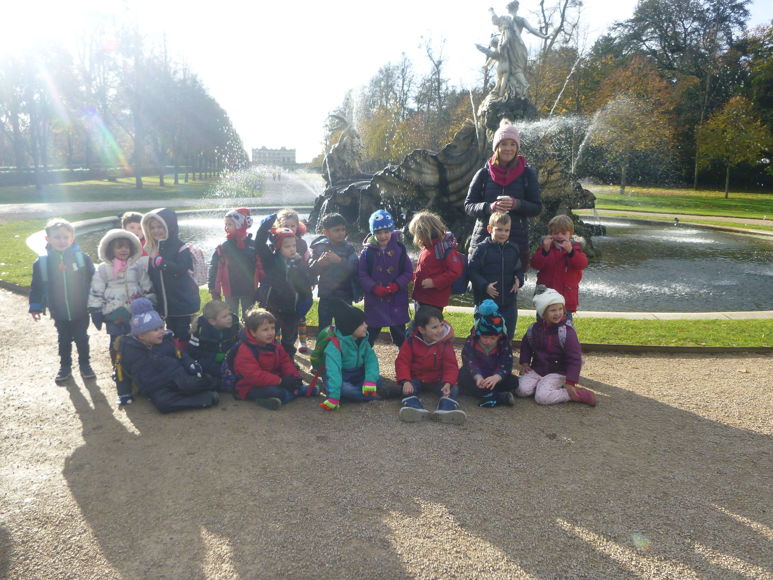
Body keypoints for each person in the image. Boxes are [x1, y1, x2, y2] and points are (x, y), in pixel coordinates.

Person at [464, 119, 542, 271]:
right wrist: (489, 207)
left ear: (517, 148)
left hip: (516, 242)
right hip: (484, 241)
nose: (508, 148)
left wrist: (517, 204)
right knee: (482, 283)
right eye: (504, 144)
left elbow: (537, 207)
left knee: (512, 283)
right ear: (497, 147)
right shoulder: (483, 174)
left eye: (513, 144)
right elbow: (468, 205)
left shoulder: (527, 174)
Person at [118, 298, 219, 413]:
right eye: (155, 330)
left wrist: (190, 364)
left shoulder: (166, 341)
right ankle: (205, 398)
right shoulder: (129, 349)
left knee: (191, 384)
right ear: (141, 335)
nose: (161, 332)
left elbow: (180, 355)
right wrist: (124, 393)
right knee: (163, 404)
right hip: (156, 387)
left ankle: (217, 383)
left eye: (161, 327)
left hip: (177, 376)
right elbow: (122, 371)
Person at [29, 218, 96, 384]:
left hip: (81, 308)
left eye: (66, 237)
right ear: (48, 239)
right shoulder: (42, 263)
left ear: (72, 239)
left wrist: (96, 303)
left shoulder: (82, 258)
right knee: (64, 339)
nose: (62, 241)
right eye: (57, 237)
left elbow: (94, 282)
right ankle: (65, 366)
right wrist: (35, 306)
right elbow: (36, 286)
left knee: (82, 338)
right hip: (58, 309)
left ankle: (85, 364)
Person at [516, 288, 596, 406]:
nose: (558, 313)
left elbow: (575, 358)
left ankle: (574, 394)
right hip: (538, 368)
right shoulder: (534, 329)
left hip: (558, 372)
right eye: (553, 310)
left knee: (542, 398)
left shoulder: (567, 332)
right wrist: (525, 363)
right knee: (520, 390)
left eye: (560, 309)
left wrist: (570, 382)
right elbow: (526, 345)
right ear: (543, 313)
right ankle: (542, 386)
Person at [88, 229, 154, 363]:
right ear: (111, 250)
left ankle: (137, 364)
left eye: (127, 247)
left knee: (138, 338)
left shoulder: (137, 267)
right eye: (119, 247)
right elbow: (96, 290)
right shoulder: (103, 269)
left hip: (135, 311)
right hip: (113, 312)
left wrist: (151, 302)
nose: (124, 250)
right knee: (116, 340)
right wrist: (95, 310)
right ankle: (117, 365)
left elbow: (146, 285)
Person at [254, 213, 313, 358]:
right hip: (273, 306)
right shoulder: (271, 261)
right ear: (278, 247)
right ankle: (271, 360)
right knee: (271, 337)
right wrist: (265, 226)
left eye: (294, 245)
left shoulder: (299, 262)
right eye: (287, 246)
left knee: (289, 339)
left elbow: (305, 283)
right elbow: (259, 244)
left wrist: (307, 300)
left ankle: (288, 361)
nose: (292, 249)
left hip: (292, 308)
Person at [395, 306, 466, 424]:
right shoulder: (411, 341)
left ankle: (445, 409)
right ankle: (414, 408)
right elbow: (402, 362)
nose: (440, 330)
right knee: (406, 389)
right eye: (434, 327)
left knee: (453, 388)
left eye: (441, 325)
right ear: (422, 330)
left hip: (437, 379)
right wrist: (405, 381)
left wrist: (448, 382)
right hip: (415, 378)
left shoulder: (445, 343)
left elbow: (451, 365)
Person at [232, 307, 312, 411]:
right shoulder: (245, 350)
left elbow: (285, 362)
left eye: (272, 328)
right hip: (249, 385)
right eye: (265, 330)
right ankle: (297, 392)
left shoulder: (274, 344)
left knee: (290, 384)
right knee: (276, 391)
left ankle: (276, 398)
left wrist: (294, 378)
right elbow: (255, 376)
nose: (270, 333)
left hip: (272, 379)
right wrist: (281, 381)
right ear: (253, 332)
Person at [141, 208, 201, 345]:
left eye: (160, 227)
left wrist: (163, 263)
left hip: (181, 301)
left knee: (182, 332)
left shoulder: (181, 247)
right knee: (168, 332)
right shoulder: (152, 248)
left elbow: (181, 269)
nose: (156, 231)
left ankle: (184, 353)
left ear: (170, 226)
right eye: (152, 228)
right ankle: (172, 353)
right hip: (165, 303)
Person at [358, 209, 413, 347]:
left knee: (400, 336)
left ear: (391, 231)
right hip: (375, 300)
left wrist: (396, 285)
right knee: (369, 336)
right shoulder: (367, 252)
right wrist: (374, 287)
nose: (383, 236)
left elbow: (408, 272)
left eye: (386, 232)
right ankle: (362, 358)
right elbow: (362, 274)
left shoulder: (400, 249)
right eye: (378, 232)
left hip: (396, 299)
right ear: (373, 232)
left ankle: (405, 359)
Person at [476, 1, 549, 99]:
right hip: (517, 47)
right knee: (515, 70)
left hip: (511, 47)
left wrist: (491, 11)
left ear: (508, 9)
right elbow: (531, 29)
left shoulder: (505, 19)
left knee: (514, 70)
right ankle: (516, 90)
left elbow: (495, 20)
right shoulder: (519, 19)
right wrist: (544, 36)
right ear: (517, 9)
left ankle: (514, 90)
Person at [468, 211, 523, 341]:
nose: (503, 233)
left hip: (509, 302)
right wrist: (485, 286)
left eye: (506, 230)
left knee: (507, 336)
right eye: (499, 229)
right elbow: (472, 272)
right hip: (486, 302)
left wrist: (518, 279)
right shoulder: (481, 249)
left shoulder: (513, 249)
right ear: (489, 229)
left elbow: (518, 269)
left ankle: (506, 352)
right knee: (484, 336)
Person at [318, 300, 382, 411]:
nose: (366, 325)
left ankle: (363, 393)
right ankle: (372, 395)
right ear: (350, 327)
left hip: (357, 373)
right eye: (362, 324)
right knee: (346, 390)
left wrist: (370, 380)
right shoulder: (335, 345)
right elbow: (334, 372)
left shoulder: (363, 340)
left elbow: (371, 360)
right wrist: (334, 397)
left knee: (376, 380)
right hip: (341, 376)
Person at [459, 299, 518, 408]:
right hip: (478, 375)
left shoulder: (503, 343)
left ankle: (485, 394)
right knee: (461, 376)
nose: (488, 341)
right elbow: (469, 360)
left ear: (499, 336)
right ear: (478, 334)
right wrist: (477, 376)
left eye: (493, 338)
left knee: (513, 381)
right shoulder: (471, 341)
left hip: (494, 375)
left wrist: (497, 377)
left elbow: (506, 362)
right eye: (485, 337)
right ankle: (498, 396)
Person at [530, 215, 588, 319]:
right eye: (556, 233)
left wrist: (570, 252)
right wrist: (545, 251)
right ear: (550, 234)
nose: (559, 236)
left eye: (563, 233)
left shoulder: (575, 249)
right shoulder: (545, 249)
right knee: (543, 325)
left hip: (566, 299)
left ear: (570, 234)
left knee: (565, 326)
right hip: (546, 298)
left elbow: (582, 264)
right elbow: (535, 264)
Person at [309, 213, 359, 330]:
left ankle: (343, 342)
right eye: (336, 230)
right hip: (326, 295)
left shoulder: (349, 249)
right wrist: (319, 264)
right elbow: (311, 271)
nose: (341, 233)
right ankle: (324, 342)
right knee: (324, 327)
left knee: (345, 327)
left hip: (345, 295)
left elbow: (355, 269)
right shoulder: (320, 248)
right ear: (325, 232)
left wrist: (339, 261)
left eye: (343, 229)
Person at [208, 208, 259, 320]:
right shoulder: (224, 246)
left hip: (249, 288)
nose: (226, 227)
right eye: (225, 224)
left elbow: (260, 266)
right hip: (230, 289)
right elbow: (215, 267)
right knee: (230, 316)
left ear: (241, 225)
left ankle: (247, 330)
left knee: (249, 316)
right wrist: (213, 288)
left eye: (230, 224)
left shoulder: (253, 245)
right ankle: (233, 330)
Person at [408, 210, 463, 312]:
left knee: (429, 322)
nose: (416, 238)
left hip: (433, 299)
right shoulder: (427, 248)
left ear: (423, 233)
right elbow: (425, 271)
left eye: (416, 234)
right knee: (420, 322)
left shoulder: (444, 248)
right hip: (421, 296)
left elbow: (455, 272)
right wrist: (411, 276)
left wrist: (434, 282)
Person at [275, 209, 312, 353]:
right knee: (279, 317)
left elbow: (307, 263)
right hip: (282, 287)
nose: (290, 228)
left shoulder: (301, 244)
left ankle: (302, 341)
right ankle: (278, 343)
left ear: (297, 226)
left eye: (293, 226)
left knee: (300, 316)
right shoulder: (276, 242)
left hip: (298, 285)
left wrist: (310, 281)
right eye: (286, 226)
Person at [189, 300, 241, 382]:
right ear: (212, 321)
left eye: (229, 314)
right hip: (210, 360)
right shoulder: (200, 330)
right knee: (207, 366)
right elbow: (193, 352)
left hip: (230, 357)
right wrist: (216, 356)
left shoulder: (235, 324)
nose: (229, 318)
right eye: (224, 317)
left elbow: (240, 343)